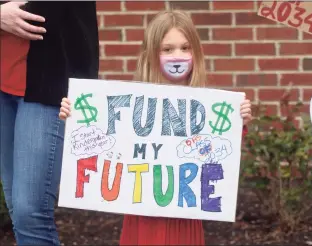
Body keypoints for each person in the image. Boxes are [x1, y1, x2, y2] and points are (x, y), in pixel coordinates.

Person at [59, 9, 252, 246]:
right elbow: (98, 138)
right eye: (167, 49)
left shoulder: (208, 107)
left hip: (184, 216)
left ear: (196, 53)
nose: (177, 56)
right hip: (142, 215)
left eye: (185, 47)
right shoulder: (131, 105)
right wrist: (74, 115)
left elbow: (221, 153)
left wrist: (238, 121)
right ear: (152, 54)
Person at [0, 1, 99, 245]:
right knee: (17, 209)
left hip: (48, 81)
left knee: (30, 213)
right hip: (3, 83)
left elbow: (41, 11)